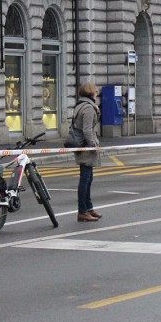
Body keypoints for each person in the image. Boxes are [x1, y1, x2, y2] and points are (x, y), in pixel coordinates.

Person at [72, 82, 102, 222]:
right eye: (95, 92)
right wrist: (93, 145)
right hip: (86, 147)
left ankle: (88, 208)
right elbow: (87, 130)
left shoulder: (80, 105)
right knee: (85, 179)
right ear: (91, 93)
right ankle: (83, 211)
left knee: (88, 178)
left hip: (82, 145)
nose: (97, 94)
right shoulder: (88, 108)